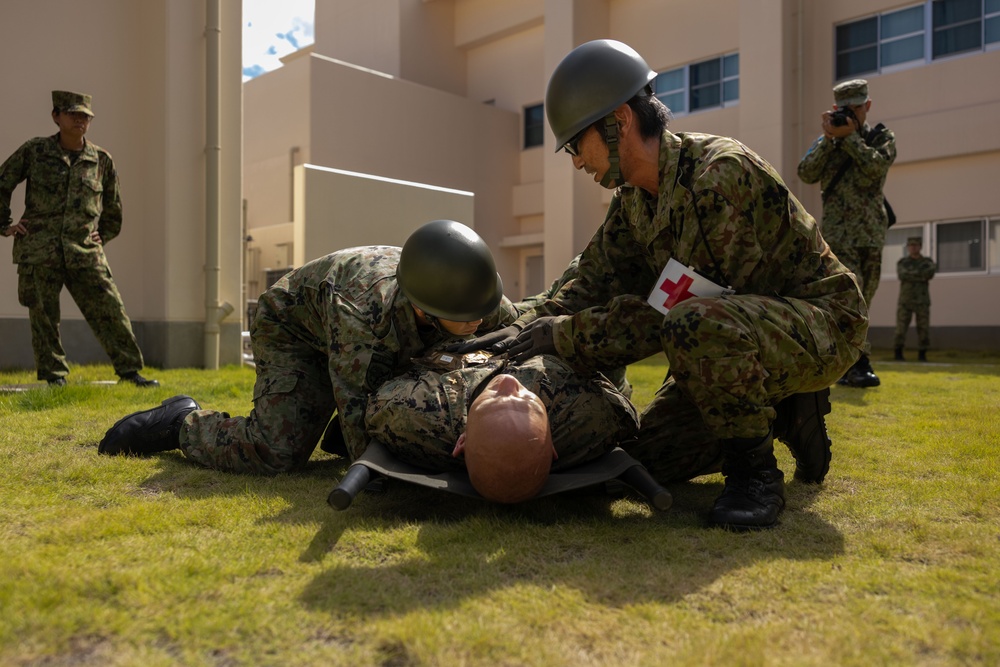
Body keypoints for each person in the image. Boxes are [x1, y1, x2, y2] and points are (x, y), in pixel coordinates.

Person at [450, 40, 867, 530]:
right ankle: (789, 408)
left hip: (820, 322)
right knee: (640, 460)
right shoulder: (634, 202)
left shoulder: (717, 175)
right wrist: (512, 325)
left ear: (619, 121)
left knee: (694, 324)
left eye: (576, 145)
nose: (577, 163)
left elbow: (669, 316)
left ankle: (754, 474)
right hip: (731, 334)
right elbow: (587, 284)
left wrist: (562, 335)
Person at [97, 219, 519, 474]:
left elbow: (517, 327)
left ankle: (325, 426)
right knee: (278, 452)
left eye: (482, 308)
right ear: (426, 308)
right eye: (466, 315)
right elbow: (363, 436)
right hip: (293, 327)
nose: (478, 320)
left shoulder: (471, 295)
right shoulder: (364, 318)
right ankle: (182, 424)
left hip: (363, 333)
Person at [0, 91, 158, 388]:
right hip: (39, 249)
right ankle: (54, 376)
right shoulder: (35, 151)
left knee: (110, 308)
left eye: (85, 116)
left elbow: (114, 206)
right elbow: (3, 181)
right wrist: (5, 225)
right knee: (44, 317)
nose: (79, 120)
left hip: (84, 250)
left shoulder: (101, 159)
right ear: (55, 116)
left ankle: (129, 371)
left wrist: (105, 234)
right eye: (72, 114)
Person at [366, 351, 639, 502]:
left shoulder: (414, 414)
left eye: (491, 403)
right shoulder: (590, 415)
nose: (509, 384)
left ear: (462, 440)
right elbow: (620, 402)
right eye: (528, 404)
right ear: (552, 443)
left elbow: (381, 394)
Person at [798, 79, 896, 388]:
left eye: (856, 109)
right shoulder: (829, 141)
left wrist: (851, 138)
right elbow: (806, 173)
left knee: (866, 296)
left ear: (867, 106)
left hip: (871, 233)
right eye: (844, 110)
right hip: (839, 234)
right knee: (854, 297)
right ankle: (858, 362)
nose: (851, 116)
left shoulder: (881, 137)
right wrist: (830, 139)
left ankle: (846, 361)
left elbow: (876, 167)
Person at [894, 236, 936, 362]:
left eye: (916, 245)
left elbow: (929, 274)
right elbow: (902, 275)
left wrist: (912, 275)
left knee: (923, 329)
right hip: (905, 301)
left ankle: (922, 354)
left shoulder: (927, 262)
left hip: (922, 300)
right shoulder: (903, 262)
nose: (913, 247)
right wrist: (920, 275)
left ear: (920, 246)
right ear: (908, 247)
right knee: (901, 328)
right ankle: (898, 353)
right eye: (911, 245)